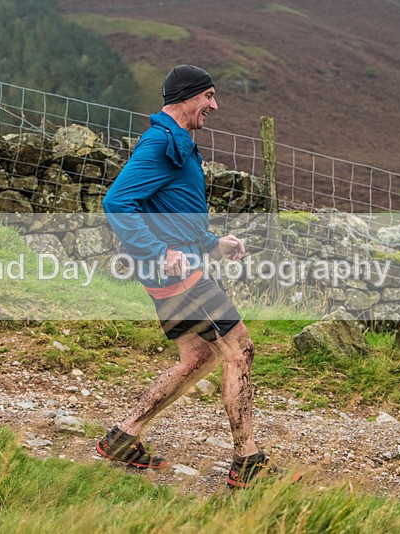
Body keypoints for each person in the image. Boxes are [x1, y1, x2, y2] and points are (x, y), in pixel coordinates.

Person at [98, 64, 279, 489]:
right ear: (186, 97)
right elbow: (117, 203)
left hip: (175, 273)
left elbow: (171, 215)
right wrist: (160, 253)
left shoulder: (176, 143)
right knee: (240, 350)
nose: (214, 106)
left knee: (199, 357)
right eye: (209, 96)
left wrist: (213, 244)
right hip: (178, 277)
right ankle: (248, 460)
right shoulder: (160, 143)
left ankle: (124, 437)